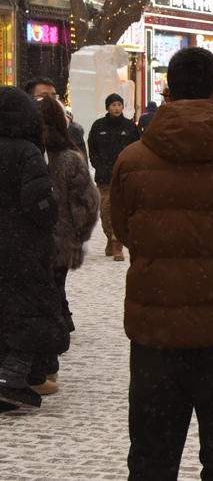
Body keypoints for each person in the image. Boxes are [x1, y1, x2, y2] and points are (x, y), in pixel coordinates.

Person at [110, 47, 213, 479]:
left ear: (166, 91)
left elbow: (123, 229)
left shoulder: (131, 160)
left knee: (151, 460)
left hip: (155, 335)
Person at [25, 97, 99, 394]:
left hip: (26, 244)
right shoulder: (70, 157)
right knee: (53, 300)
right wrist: (76, 237)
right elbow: (87, 203)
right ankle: (48, 365)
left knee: (32, 303)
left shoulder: (27, 154)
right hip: (59, 244)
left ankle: (37, 365)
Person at [0, 86, 67, 411]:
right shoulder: (26, 152)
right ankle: (12, 376)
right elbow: (38, 201)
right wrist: (49, 214)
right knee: (33, 313)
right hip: (20, 248)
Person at [88, 93, 139, 262]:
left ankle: (118, 245)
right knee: (106, 211)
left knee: (121, 210)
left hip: (124, 176)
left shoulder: (129, 126)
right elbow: (92, 148)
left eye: (119, 105)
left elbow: (136, 147)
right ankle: (110, 237)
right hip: (104, 178)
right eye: (113, 105)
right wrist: (98, 165)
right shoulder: (98, 126)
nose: (117, 108)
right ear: (107, 107)